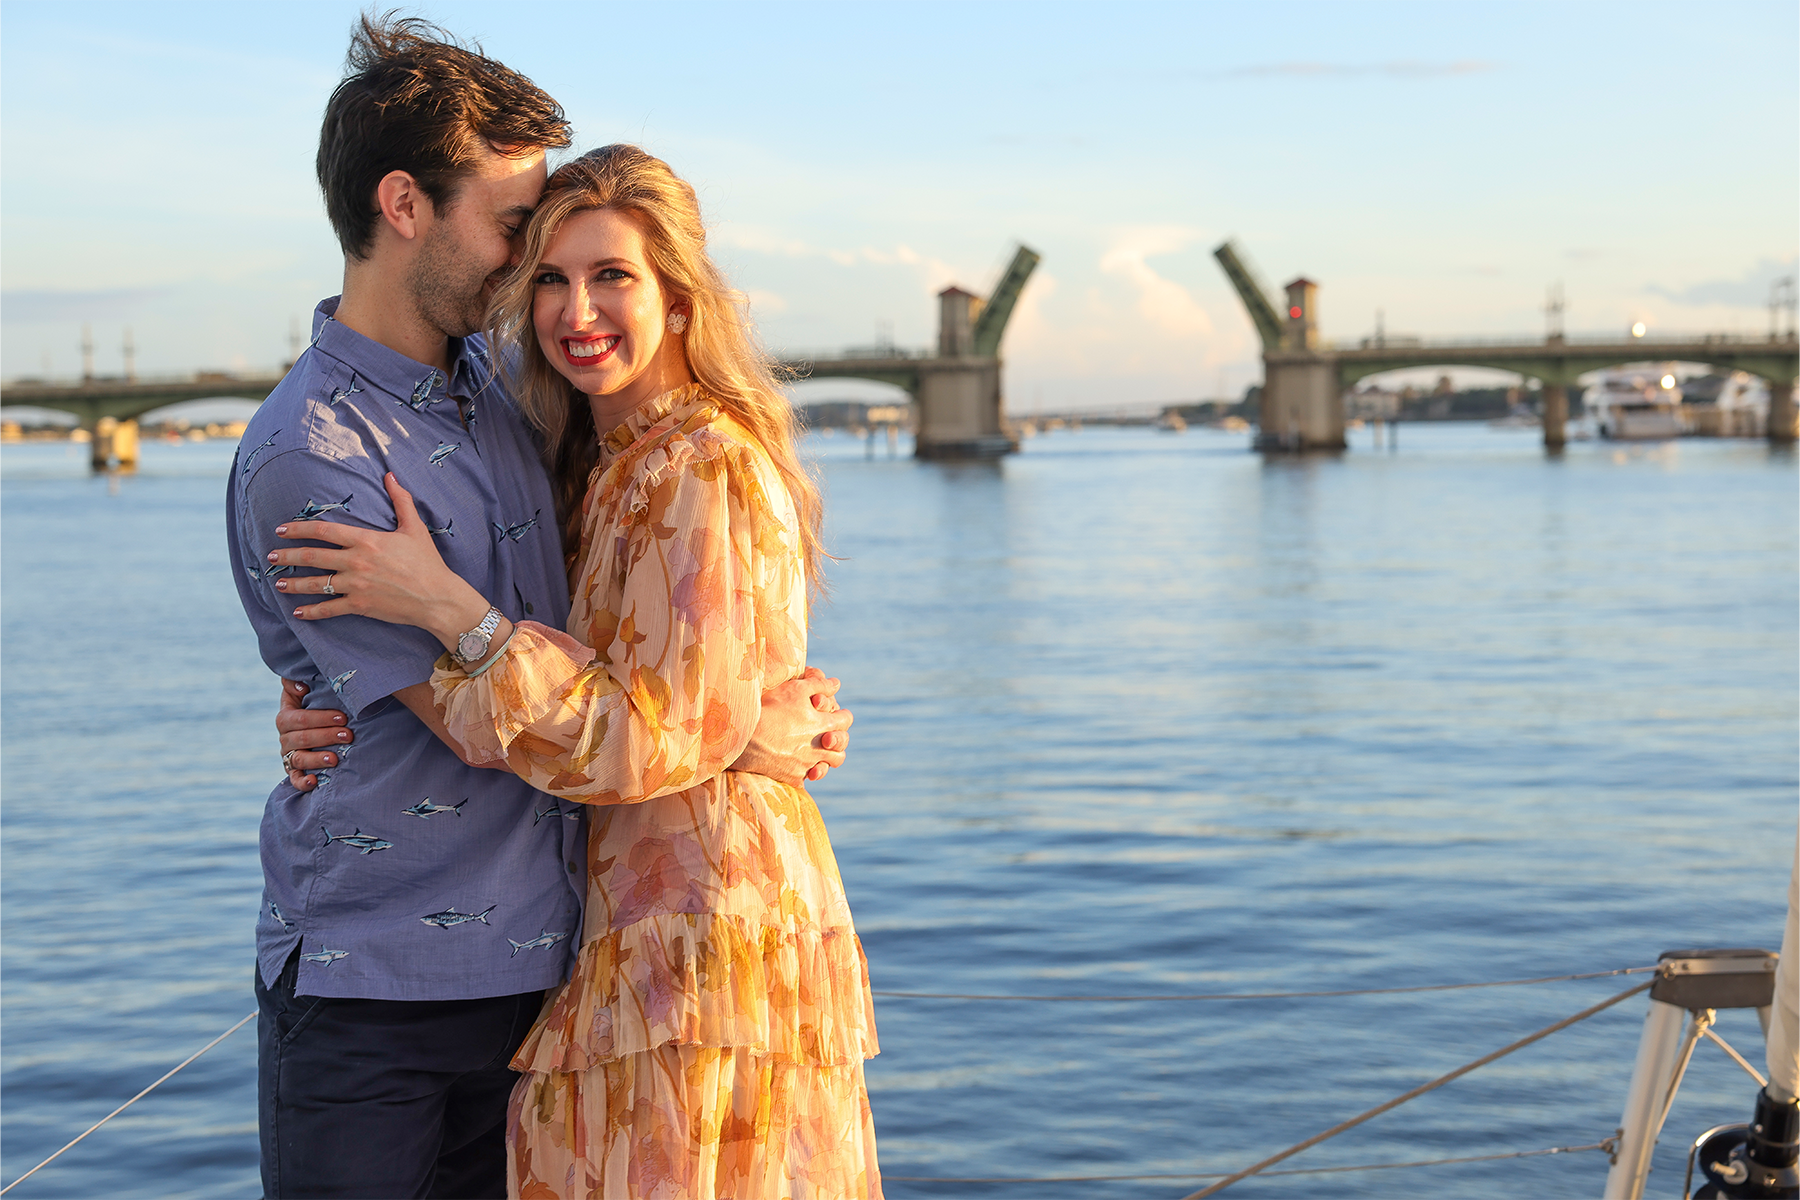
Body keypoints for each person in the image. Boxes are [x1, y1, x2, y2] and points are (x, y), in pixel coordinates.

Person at [229, 19, 851, 1199]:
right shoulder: (321, 455)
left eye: (600, 272)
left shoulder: (512, 402)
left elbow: (652, 678)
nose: (549, 293)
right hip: (387, 985)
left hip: (580, 961)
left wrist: (725, 724)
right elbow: (481, 704)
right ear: (404, 205)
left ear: (678, 292)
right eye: (522, 236)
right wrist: (725, 733)